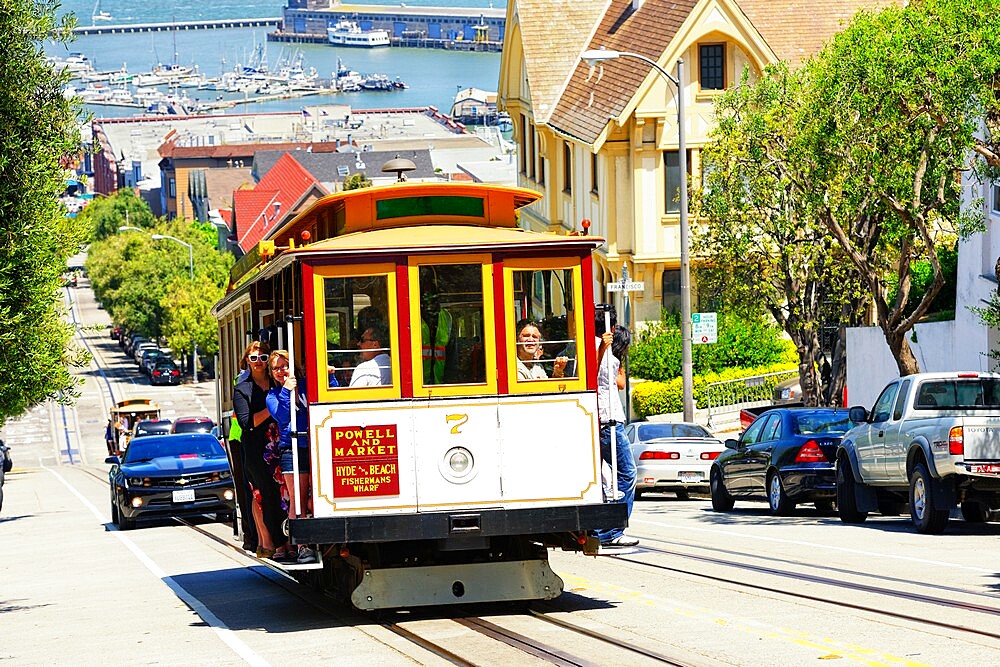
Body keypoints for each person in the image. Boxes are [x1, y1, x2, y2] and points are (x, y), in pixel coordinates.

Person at [233, 340, 287, 559]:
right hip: (257, 451)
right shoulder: (242, 389)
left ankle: (291, 541)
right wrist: (273, 408)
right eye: (253, 358)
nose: (258, 362)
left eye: (263, 358)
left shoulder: (277, 383)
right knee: (267, 496)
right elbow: (247, 422)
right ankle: (278, 543)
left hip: (281, 445)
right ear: (247, 360)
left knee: (286, 495)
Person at [593, 306, 638, 548]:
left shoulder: (607, 350)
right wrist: (603, 348)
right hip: (607, 420)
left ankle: (603, 529)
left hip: (609, 419)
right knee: (627, 474)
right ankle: (612, 531)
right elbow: (589, 375)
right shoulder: (598, 347)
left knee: (607, 479)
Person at [266, 350, 316, 564]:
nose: (280, 371)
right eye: (275, 368)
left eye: (284, 366)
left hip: (314, 445)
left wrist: (330, 376)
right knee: (298, 498)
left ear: (293, 366)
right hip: (291, 449)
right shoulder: (273, 396)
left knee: (315, 499)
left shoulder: (307, 385)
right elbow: (282, 416)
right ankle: (302, 547)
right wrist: (286, 390)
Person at [227, 364, 257, 553]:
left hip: (259, 436)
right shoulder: (242, 379)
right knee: (246, 487)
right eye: (253, 358)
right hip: (239, 437)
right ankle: (250, 534)